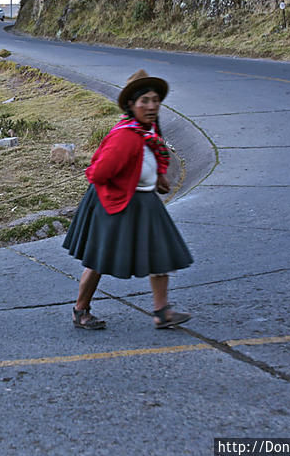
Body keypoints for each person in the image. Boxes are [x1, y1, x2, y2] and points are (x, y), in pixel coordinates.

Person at [63, 70, 193, 330]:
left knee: (160, 254)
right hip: (115, 202)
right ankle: (80, 310)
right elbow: (98, 173)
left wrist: (156, 177)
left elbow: (146, 159)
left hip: (144, 200)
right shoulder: (125, 136)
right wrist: (126, 180)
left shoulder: (148, 132)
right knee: (98, 260)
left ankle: (162, 311)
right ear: (131, 105)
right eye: (144, 100)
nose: (152, 106)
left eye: (155, 100)